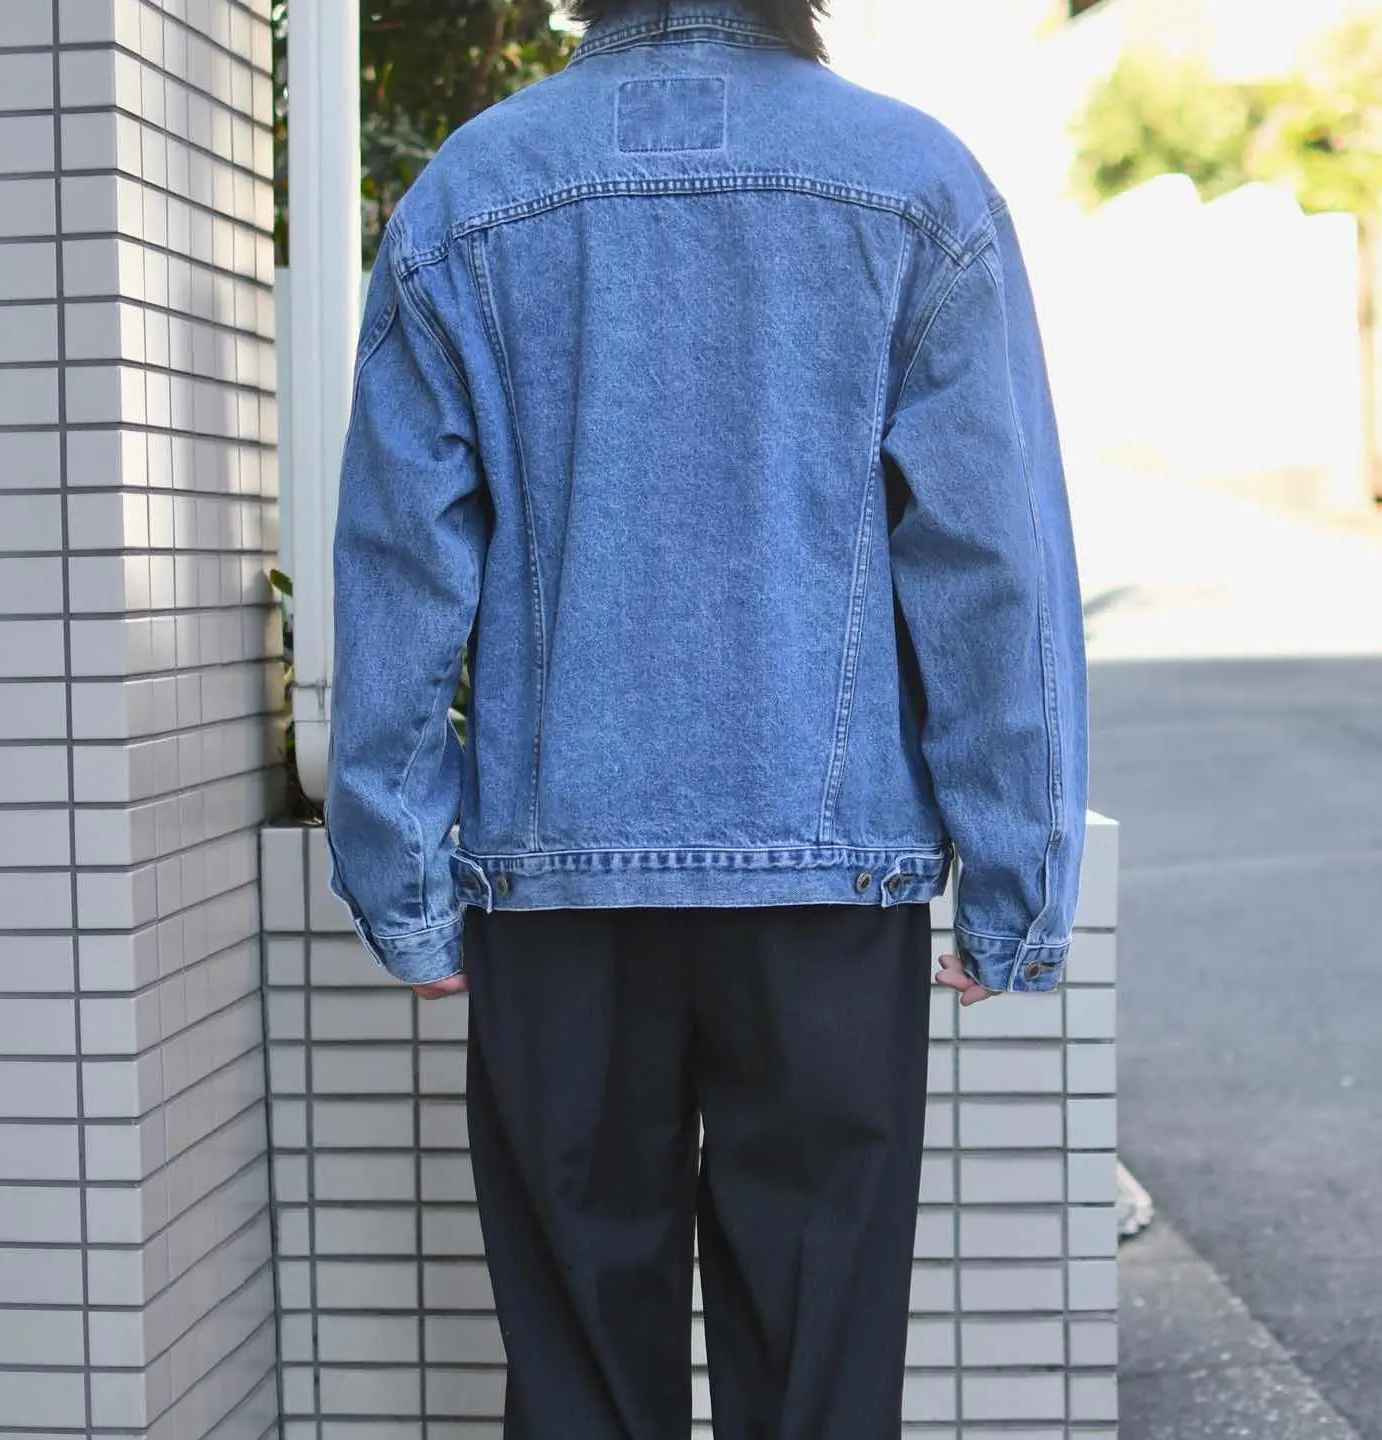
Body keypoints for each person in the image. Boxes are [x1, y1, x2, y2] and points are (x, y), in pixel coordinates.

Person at [325, 0, 1088, 1434]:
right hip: (827, 891)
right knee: (818, 1375)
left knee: (580, 1382)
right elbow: (995, 567)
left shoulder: (471, 193)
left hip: (558, 891)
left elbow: (398, 570)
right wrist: (1016, 880)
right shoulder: (915, 186)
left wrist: (405, 884)